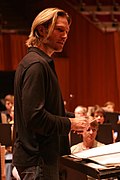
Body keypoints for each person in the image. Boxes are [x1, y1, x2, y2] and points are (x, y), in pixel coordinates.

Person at [12, 7, 90, 180]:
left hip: (37, 161)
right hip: (38, 161)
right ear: (41, 29)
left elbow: (46, 111)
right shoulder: (37, 66)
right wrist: (69, 123)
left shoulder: (36, 62)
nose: (65, 36)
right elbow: (35, 117)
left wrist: (75, 121)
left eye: (67, 32)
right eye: (59, 30)